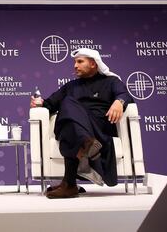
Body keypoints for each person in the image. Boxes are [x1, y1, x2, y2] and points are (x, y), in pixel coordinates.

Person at [30, 48, 132, 199]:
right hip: (80, 130)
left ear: (93, 64)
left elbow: (124, 94)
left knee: (68, 112)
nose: (75, 66)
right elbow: (50, 104)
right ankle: (85, 146)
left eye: (80, 62)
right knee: (69, 121)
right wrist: (39, 103)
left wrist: (119, 101)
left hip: (99, 127)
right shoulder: (71, 86)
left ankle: (69, 184)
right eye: (74, 62)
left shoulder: (111, 82)